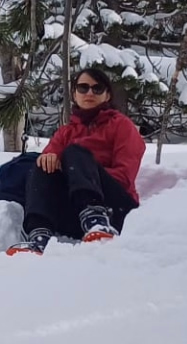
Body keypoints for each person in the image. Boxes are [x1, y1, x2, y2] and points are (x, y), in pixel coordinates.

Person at [11, 69, 145, 254]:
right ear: (74, 94)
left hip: (115, 208)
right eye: (83, 88)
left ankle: (96, 219)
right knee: (42, 164)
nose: (89, 93)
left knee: (75, 153)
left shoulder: (121, 125)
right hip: (74, 214)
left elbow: (125, 177)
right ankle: (38, 235)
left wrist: (84, 173)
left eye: (97, 89)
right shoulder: (66, 132)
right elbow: (47, 165)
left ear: (107, 95)